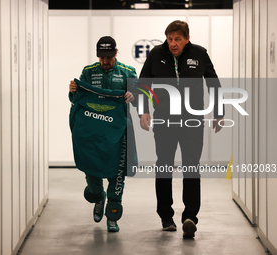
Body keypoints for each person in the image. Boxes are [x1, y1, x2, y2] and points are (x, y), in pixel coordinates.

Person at [138, 20, 224, 238]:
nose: (173, 43)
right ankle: (166, 216)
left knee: (191, 167)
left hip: (192, 122)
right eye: (169, 39)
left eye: (177, 39)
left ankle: (190, 217)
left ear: (187, 39)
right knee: (164, 166)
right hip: (165, 121)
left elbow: (213, 83)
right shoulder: (156, 54)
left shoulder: (199, 54)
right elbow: (142, 84)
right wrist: (143, 111)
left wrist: (219, 112)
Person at [69, 36, 137, 232]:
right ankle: (98, 197)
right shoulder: (88, 72)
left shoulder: (128, 72)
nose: (105, 62)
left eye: (108, 57)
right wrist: (73, 91)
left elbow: (142, 97)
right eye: (101, 58)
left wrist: (134, 95)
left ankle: (112, 214)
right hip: (93, 133)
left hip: (118, 133)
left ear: (116, 53)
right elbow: (77, 100)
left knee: (117, 173)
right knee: (92, 170)